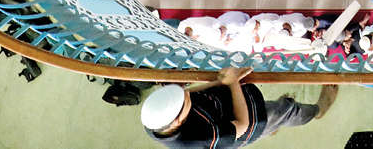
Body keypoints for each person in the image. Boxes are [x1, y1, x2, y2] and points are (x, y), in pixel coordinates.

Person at [139, 68, 336, 146]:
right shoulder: (200, 138)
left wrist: (220, 81)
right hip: (239, 126)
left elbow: (188, 93)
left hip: (216, 108)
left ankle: (272, 127)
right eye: (183, 99)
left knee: (270, 116)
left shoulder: (153, 123)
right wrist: (233, 83)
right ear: (178, 121)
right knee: (283, 110)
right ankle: (318, 110)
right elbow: (242, 124)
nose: (186, 92)